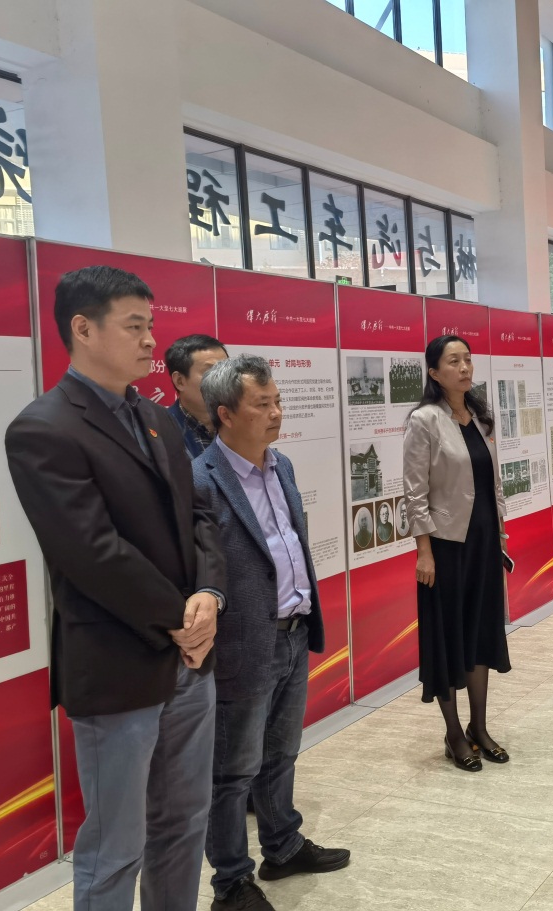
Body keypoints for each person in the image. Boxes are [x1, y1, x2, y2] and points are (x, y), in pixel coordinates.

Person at [5, 265, 226, 911]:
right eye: (134, 326)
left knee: (183, 824)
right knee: (115, 848)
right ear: (83, 328)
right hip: (118, 663)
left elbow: (200, 516)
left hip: (191, 657)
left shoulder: (155, 419)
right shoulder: (43, 428)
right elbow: (91, 552)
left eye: (150, 325)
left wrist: (209, 595)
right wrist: (180, 618)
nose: (150, 340)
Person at [194, 355, 349, 911]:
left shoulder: (281, 466)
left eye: (277, 400)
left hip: (293, 631)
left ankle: (282, 847)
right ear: (225, 414)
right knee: (232, 772)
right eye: (262, 404)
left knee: (281, 753)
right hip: (241, 644)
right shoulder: (201, 480)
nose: (277, 412)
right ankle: (231, 881)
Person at [402, 335, 511, 772]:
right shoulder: (424, 420)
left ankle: (478, 727)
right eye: (453, 361)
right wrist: (423, 551)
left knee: (481, 632)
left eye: (467, 359)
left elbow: (492, 483)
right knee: (448, 637)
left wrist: (500, 536)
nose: (464, 367)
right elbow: (414, 492)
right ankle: (453, 734)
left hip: (483, 543)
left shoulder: (480, 418)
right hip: (446, 547)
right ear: (434, 372)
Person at [166, 333, 229, 459]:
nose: (223, 378)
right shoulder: (161, 430)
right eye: (210, 371)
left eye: (226, 370)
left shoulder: (239, 422)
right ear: (180, 381)